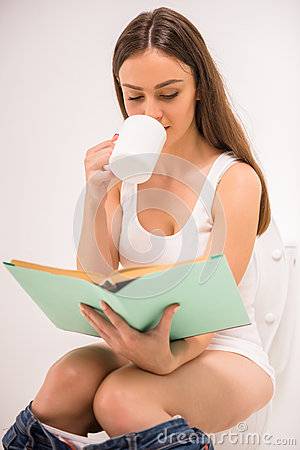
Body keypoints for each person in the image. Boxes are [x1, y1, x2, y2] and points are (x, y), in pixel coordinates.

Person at [2, 6, 275, 450]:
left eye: (168, 94)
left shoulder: (234, 178)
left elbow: (213, 305)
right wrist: (95, 191)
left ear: (199, 87)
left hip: (220, 348)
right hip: (139, 339)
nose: (152, 112)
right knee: (65, 380)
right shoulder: (124, 171)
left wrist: (169, 358)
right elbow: (94, 272)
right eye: (135, 97)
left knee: (120, 397)